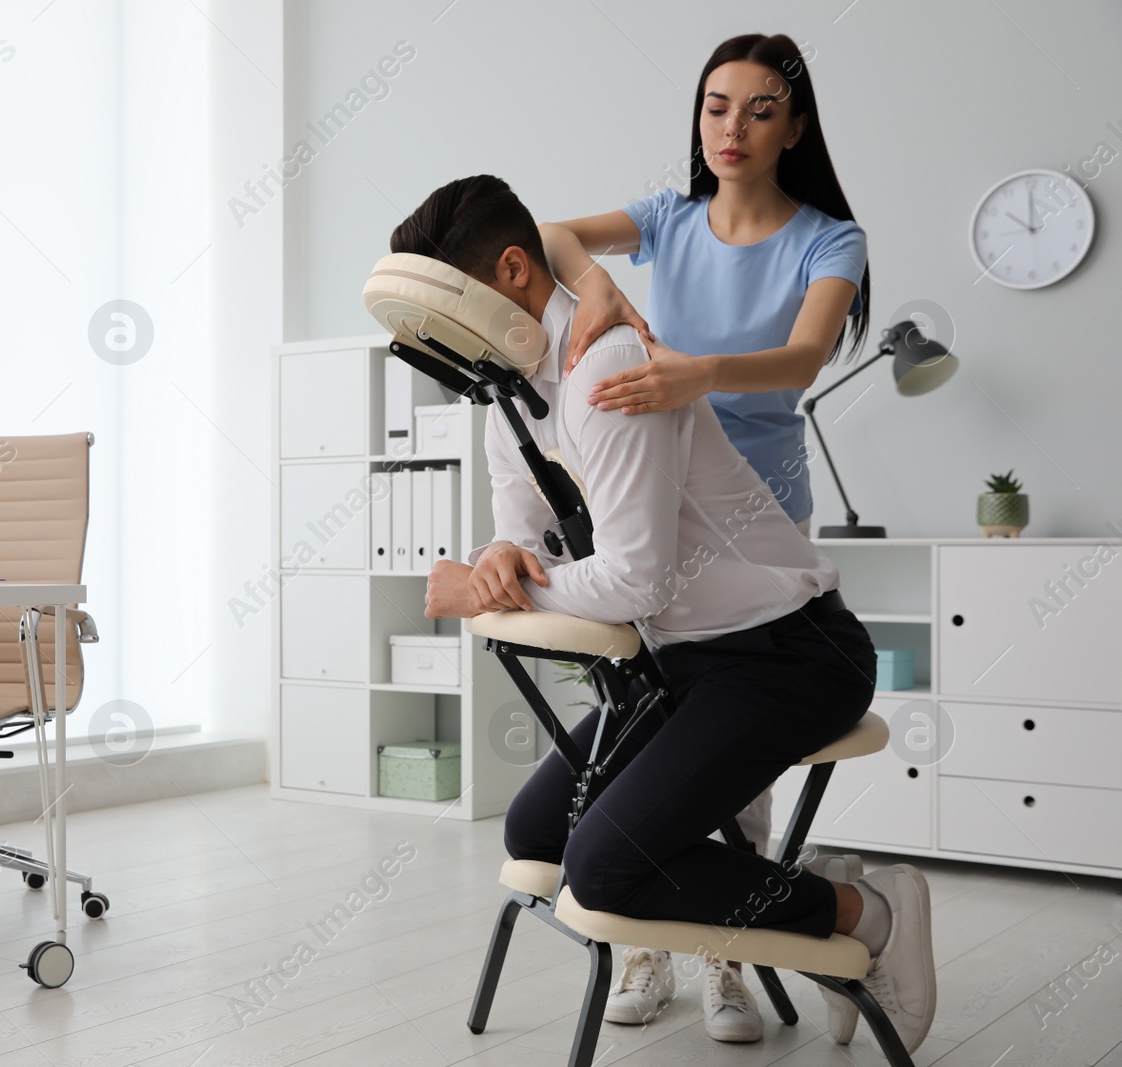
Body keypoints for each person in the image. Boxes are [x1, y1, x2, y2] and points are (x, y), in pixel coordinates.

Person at [390, 173, 936, 1056]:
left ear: (515, 271)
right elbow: (518, 528)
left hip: (792, 653)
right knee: (537, 831)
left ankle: (865, 914)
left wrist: (493, 592)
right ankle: (805, 886)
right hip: (684, 665)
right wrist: (498, 557)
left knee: (605, 866)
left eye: (452, 302)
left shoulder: (609, 368)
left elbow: (636, 581)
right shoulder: (511, 393)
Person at [536, 32, 871, 1041]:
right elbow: (550, 232)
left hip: (759, 528)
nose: (733, 127)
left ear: (794, 128)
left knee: (737, 760)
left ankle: (731, 952)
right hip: (651, 513)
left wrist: (696, 371)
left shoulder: (826, 238)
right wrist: (599, 290)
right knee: (649, 739)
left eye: (760, 110)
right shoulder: (664, 219)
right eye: (716, 106)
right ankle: (646, 935)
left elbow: (804, 355)